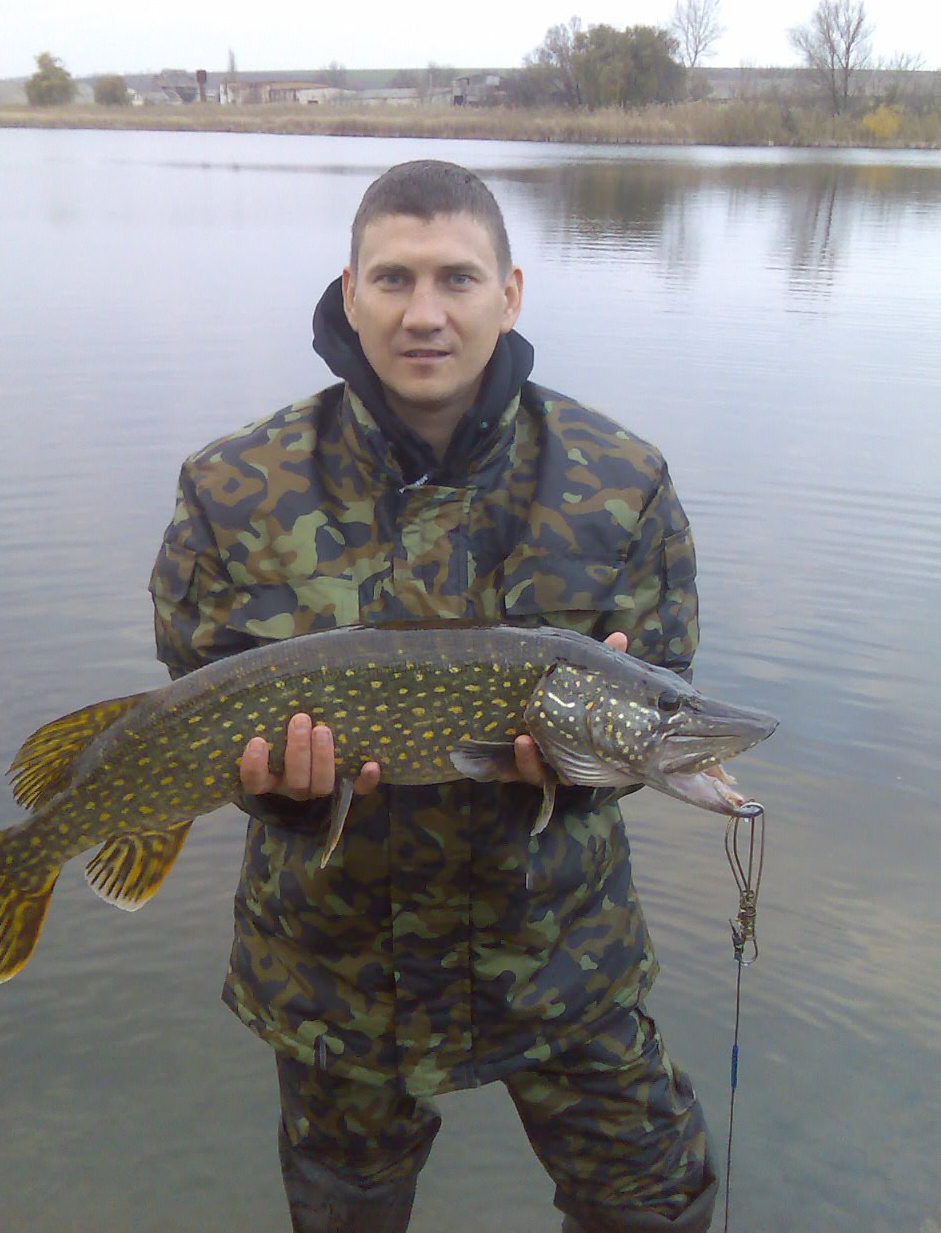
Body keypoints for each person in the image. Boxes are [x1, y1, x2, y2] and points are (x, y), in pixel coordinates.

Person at [150, 160, 717, 1232]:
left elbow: (655, 702)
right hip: (335, 968)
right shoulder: (230, 487)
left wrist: (582, 771)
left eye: (456, 278)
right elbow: (197, 704)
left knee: (654, 1203)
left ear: (509, 293)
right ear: (349, 291)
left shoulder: (622, 480)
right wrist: (280, 791)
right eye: (393, 278)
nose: (424, 313)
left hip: (558, 952)